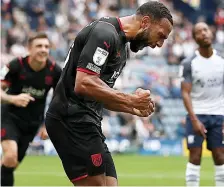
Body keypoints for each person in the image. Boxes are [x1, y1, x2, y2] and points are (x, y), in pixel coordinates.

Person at [45, 1, 173, 186]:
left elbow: (100, 93)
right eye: (161, 36)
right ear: (145, 22)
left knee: (110, 184)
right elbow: (84, 84)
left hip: (88, 121)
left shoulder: (122, 47)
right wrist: (129, 99)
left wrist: (132, 107)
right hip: (69, 119)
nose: (159, 44)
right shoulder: (104, 33)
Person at [0, 32, 62, 186]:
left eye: (46, 47)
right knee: (10, 156)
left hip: (32, 123)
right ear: (29, 49)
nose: (43, 50)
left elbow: (61, 99)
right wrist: (12, 98)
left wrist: (48, 125)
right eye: (39, 46)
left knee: (11, 165)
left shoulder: (54, 71)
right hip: (10, 117)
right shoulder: (15, 65)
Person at [181, 22, 224, 187]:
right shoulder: (189, 63)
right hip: (197, 114)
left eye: (205, 30)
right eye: (198, 32)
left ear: (211, 33)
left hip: (219, 114)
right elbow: (185, 92)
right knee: (195, 157)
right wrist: (194, 120)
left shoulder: (221, 61)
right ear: (194, 38)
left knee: (220, 157)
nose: (203, 34)